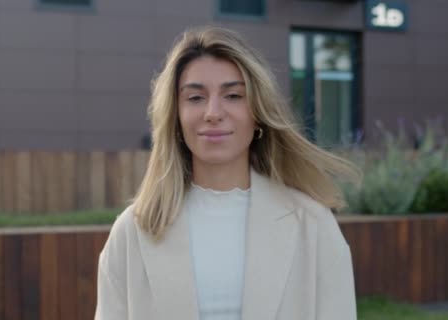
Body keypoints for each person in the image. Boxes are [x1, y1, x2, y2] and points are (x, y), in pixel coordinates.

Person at [94, 26, 361, 320]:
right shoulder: (132, 232)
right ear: (176, 118)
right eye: (195, 98)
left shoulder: (313, 225)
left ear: (257, 113)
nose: (213, 112)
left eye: (233, 95)